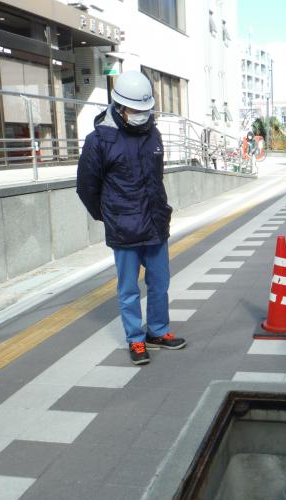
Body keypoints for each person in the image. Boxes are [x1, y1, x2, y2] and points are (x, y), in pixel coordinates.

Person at [77, 71, 186, 366]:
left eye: (145, 109)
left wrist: (160, 210)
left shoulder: (153, 133)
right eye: (136, 110)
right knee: (128, 289)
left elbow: (156, 177)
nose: (141, 115)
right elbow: (86, 187)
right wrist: (108, 216)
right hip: (123, 228)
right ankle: (135, 340)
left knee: (159, 283)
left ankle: (158, 332)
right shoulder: (99, 140)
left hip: (155, 223)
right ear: (120, 106)